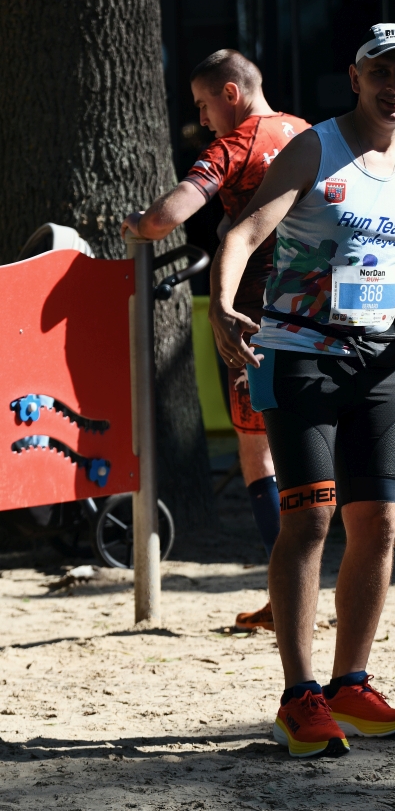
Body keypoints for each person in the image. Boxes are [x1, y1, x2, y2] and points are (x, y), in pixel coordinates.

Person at [209, 23, 395, 758]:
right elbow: (242, 234)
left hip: (376, 363)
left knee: (378, 524)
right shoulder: (315, 147)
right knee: (309, 520)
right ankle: (297, 698)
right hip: (298, 352)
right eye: (381, 72)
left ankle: (349, 685)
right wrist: (222, 304)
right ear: (355, 79)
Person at [121, 49, 310, 631]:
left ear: (231, 93)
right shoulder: (308, 133)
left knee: (257, 449)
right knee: (340, 422)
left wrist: (139, 224)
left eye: (204, 105)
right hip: (319, 302)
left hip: (254, 311)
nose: (202, 120)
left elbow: (169, 216)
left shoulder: (234, 146)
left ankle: (285, 596)